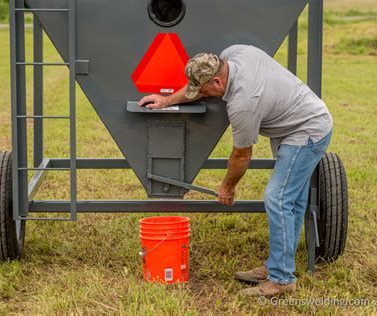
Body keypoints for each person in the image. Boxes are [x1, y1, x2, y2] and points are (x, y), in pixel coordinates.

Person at [138, 45, 333, 296]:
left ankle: (282, 279)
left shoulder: (244, 102)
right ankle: (278, 265)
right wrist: (167, 100)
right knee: (292, 202)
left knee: (278, 197)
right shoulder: (235, 53)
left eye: (204, 90)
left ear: (218, 80)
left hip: (306, 131)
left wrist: (227, 186)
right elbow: (197, 88)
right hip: (293, 124)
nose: (203, 95)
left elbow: (242, 155)